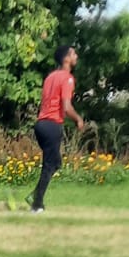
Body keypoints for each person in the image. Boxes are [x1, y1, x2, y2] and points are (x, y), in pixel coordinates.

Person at [27, 44, 84, 213]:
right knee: (49, 165)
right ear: (66, 59)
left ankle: (36, 194)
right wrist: (78, 119)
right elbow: (66, 107)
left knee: (56, 163)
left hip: (41, 124)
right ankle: (37, 205)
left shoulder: (50, 77)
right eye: (73, 54)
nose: (76, 56)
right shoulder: (67, 78)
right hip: (52, 125)